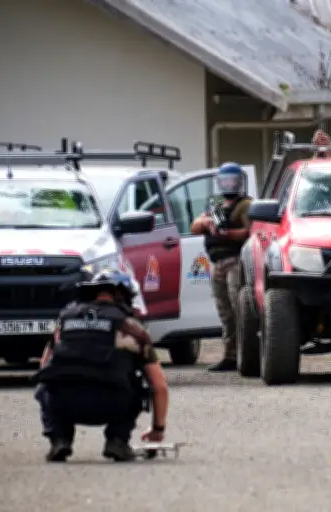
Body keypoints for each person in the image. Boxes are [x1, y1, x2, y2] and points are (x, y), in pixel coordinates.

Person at [33, 268, 170, 463]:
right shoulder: (131, 327)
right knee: (139, 385)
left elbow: (44, 366)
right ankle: (117, 441)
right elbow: (159, 386)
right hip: (112, 403)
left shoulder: (65, 320)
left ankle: (59, 439)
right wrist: (158, 430)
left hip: (63, 403)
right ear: (124, 295)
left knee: (46, 384)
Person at [190, 162, 253, 372]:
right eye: (224, 180)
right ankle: (230, 355)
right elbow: (195, 226)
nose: (228, 184)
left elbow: (249, 232)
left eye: (232, 180)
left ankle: (248, 354)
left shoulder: (246, 204)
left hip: (235, 261)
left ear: (240, 182)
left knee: (239, 308)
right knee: (225, 312)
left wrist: (228, 234)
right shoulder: (214, 204)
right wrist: (208, 224)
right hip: (216, 264)